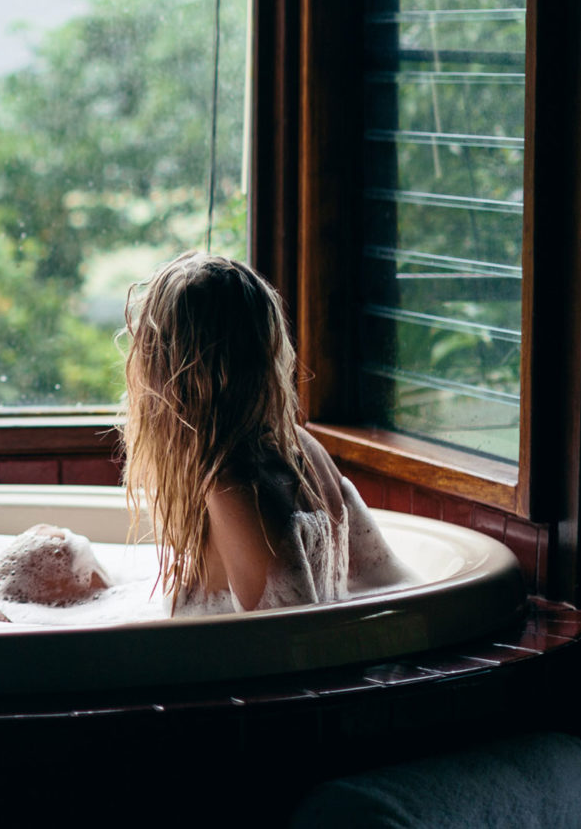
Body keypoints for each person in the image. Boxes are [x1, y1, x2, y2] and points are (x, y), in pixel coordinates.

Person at [120, 252, 409, 616]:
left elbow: (287, 645)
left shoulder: (231, 486)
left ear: (167, 375)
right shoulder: (303, 447)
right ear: (267, 348)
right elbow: (385, 581)